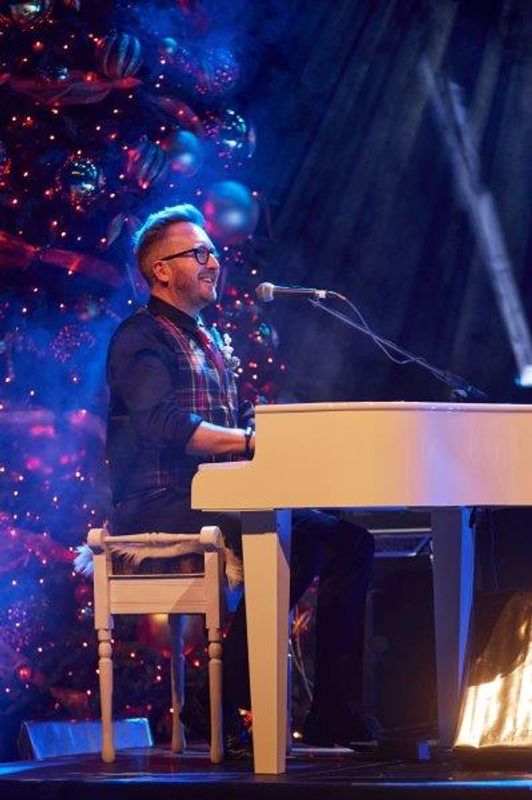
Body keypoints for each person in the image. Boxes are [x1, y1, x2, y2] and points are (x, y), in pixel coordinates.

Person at [105, 203, 375, 753]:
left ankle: (332, 713)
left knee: (350, 541)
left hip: (219, 496)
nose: (213, 262)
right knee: (298, 540)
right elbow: (161, 423)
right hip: (160, 502)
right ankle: (220, 700)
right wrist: (251, 441)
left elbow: (228, 432)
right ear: (160, 270)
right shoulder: (140, 336)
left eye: (214, 252)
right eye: (198, 253)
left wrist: (280, 437)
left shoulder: (206, 337)